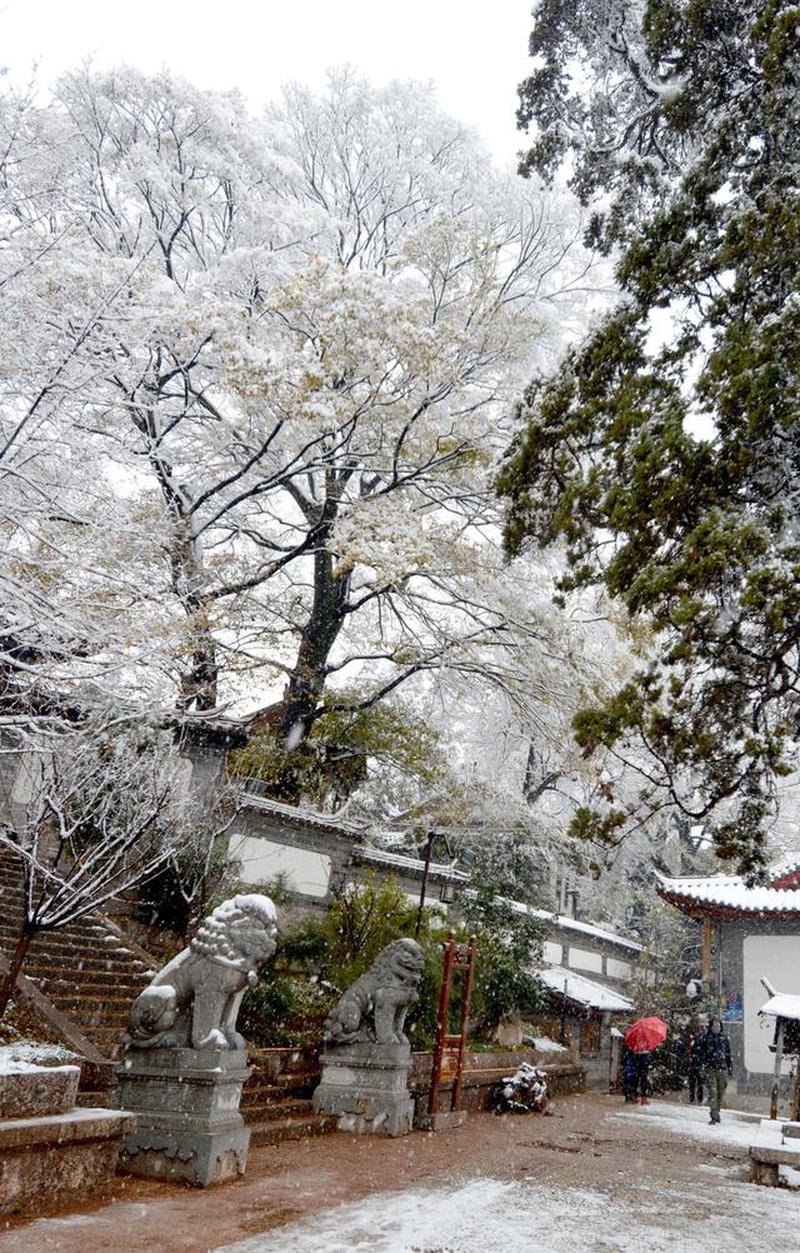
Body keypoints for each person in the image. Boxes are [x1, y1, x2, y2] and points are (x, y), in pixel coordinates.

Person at [696, 1015, 732, 1124]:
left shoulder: (724, 1038)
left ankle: (717, 1111)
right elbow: (701, 1053)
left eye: (718, 1023)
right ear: (711, 1024)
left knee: (721, 1092)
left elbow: (728, 1054)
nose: (717, 1025)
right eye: (715, 1023)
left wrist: (729, 1067)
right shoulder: (706, 1037)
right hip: (710, 1068)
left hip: (722, 1068)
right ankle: (714, 1115)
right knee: (713, 1092)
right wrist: (702, 1066)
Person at [687, 1030, 704, 1104]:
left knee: (696, 1082)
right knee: (695, 1082)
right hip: (695, 1064)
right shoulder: (692, 1040)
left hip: (696, 1064)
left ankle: (696, 1098)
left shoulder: (697, 1041)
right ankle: (695, 1098)